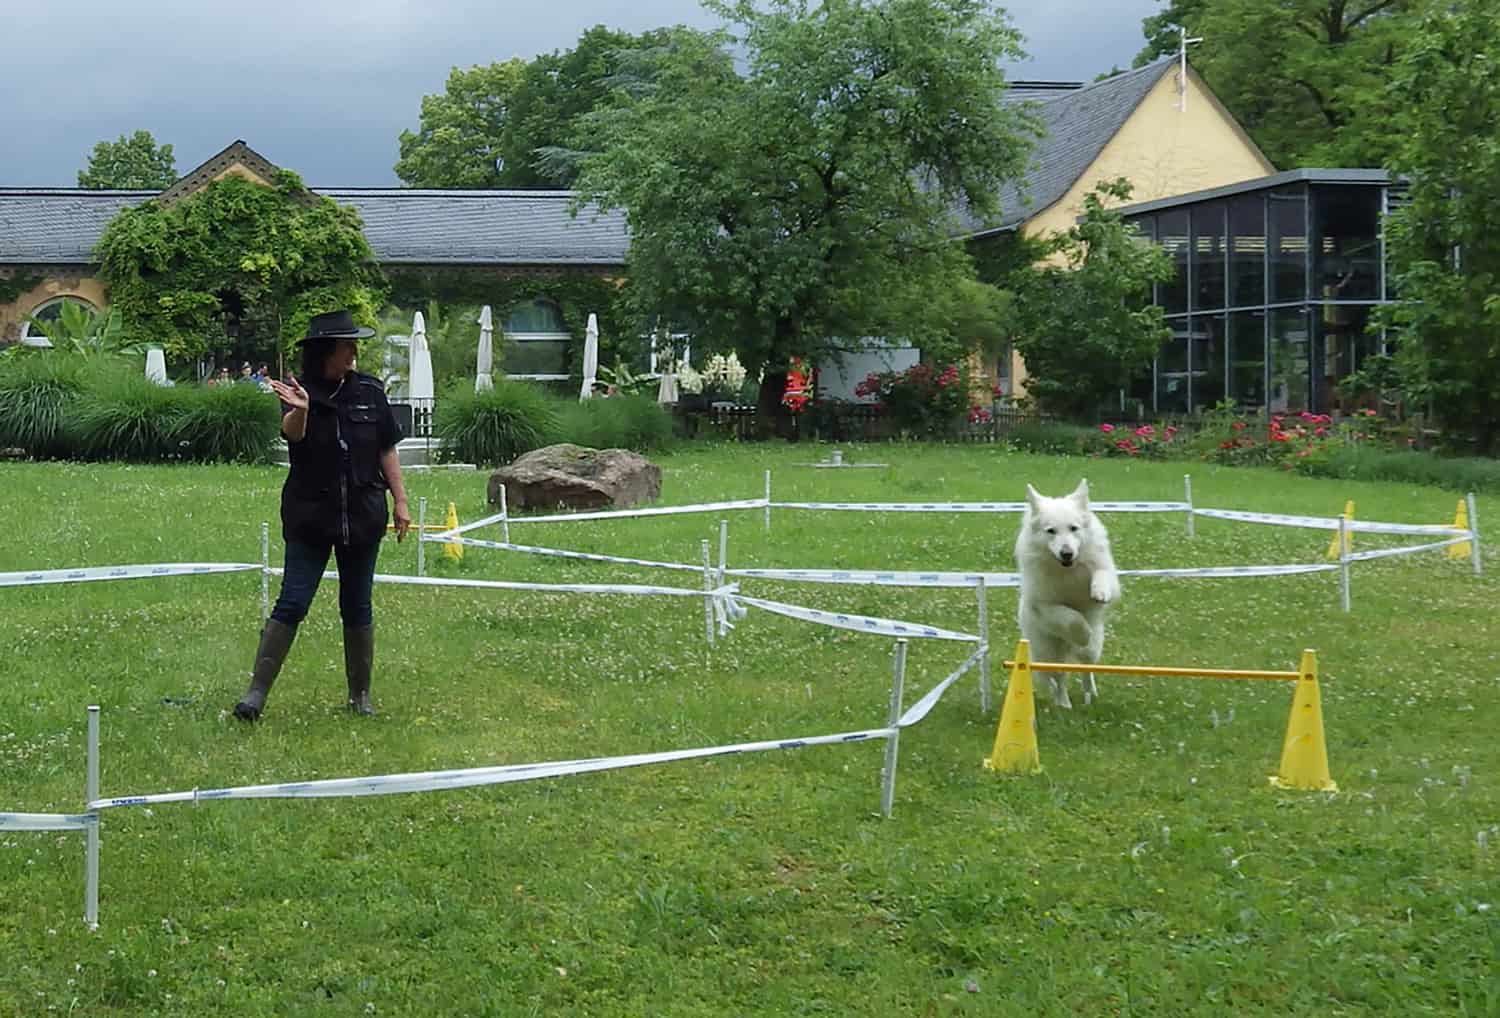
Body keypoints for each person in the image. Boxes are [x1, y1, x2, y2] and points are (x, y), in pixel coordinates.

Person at [233, 310, 412, 721]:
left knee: (357, 605)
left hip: (364, 515)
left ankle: (360, 697)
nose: (354, 350)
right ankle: (255, 695)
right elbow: (292, 435)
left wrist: (400, 501)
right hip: (311, 516)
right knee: (292, 602)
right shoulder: (299, 390)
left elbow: (386, 447)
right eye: (347, 343)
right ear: (326, 350)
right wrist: (301, 410)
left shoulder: (370, 390)